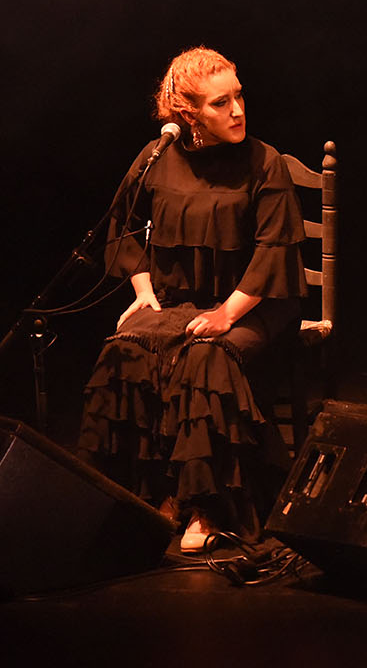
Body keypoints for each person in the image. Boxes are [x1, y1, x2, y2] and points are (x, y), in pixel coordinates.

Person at [77, 46, 308, 552]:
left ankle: (208, 506)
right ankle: (155, 496)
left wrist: (226, 313)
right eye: (221, 103)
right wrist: (144, 294)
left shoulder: (263, 163)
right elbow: (122, 228)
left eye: (239, 96)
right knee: (126, 350)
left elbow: (274, 253)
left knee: (204, 357)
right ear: (189, 114)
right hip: (179, 302)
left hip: (256, 304)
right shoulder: (157, 157)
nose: (238, 110)